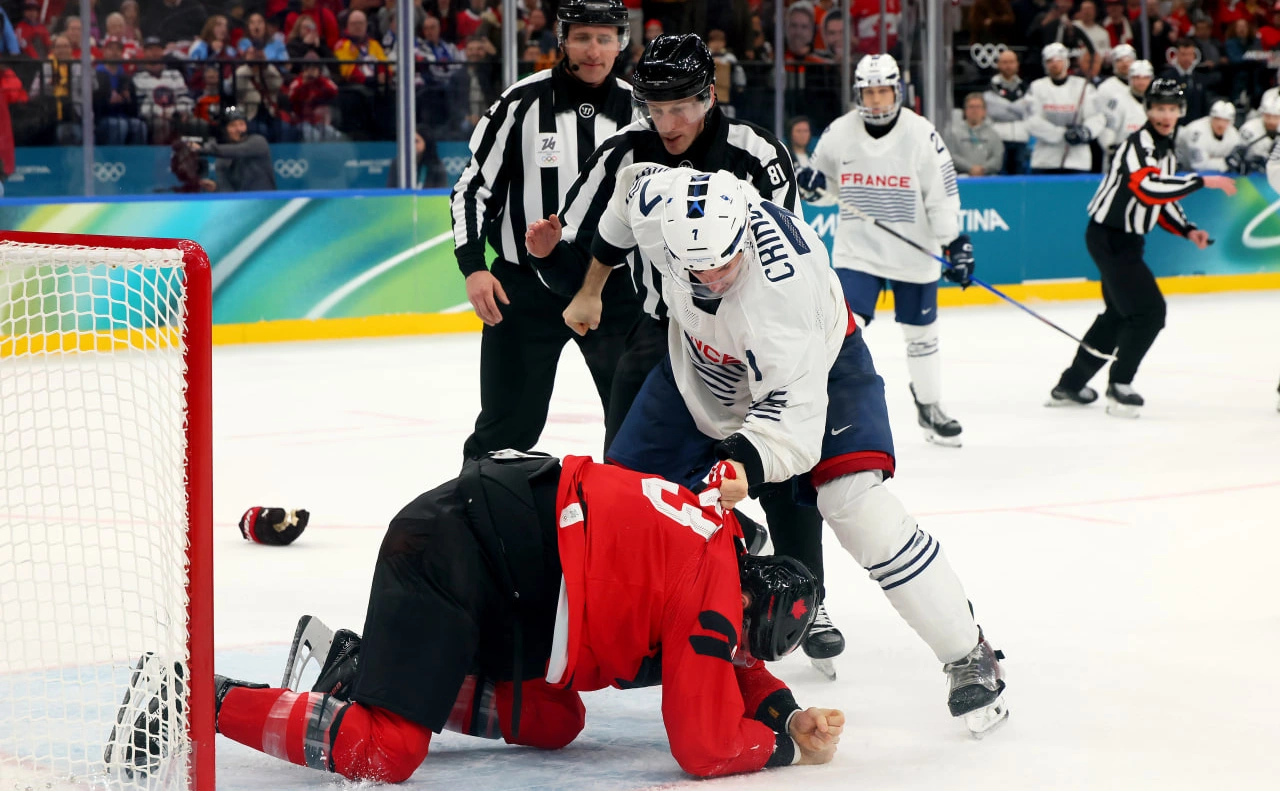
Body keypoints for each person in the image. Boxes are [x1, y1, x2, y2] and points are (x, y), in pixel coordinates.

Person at [579, 164, 1008, 734]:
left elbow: (792, 425)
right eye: (697, 270)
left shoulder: (783, 297)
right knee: (625, 505)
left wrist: (741, 465)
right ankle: (722, 560)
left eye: (726, 264)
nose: (712, 279)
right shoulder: (657, 203)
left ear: (744, 236)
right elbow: (623, 199)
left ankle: (965, 650)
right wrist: (590, 288)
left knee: (855, 507)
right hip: (700, 372)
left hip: (822, 372)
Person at [106, 452, 844, 782]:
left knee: (555, 718)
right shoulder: (713, 600)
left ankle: (363, 666)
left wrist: (786, 709)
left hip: (502, 555)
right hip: (459, 553)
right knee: (386, 751)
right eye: (749, 639)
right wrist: (782, 748)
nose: (739, 651)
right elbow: (703, 745)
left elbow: (731, 656)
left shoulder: (724, 540)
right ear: (746, 603)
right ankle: (192, 697)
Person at [524, 34, 838, 671]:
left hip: (750, 332)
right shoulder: (625, 157)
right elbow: (597, 243)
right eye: (654, 110)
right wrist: (560, 267)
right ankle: (667, 582)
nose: (668, 125)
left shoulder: (758, 154)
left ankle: (806, 589)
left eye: (682, 109)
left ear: (710, 96)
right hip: (665, 331)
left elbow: (781, 271)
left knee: (779, 456)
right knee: (629, 467)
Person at [449, 0, 638, 462]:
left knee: (639, 429)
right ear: (562, 40)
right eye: (582, 37)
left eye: (604, 37)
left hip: (612, 293)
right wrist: (474, 268)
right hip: (524, 293)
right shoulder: (519, 104)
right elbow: (472, 190)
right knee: (504, 431)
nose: (593, 50)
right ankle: (480, 524)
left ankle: (644, 530)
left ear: (620, 43)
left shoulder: (642, 110)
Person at [796, 54, 974, 449]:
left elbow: (942, 196)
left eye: (883, 91)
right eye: (868, 92)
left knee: (921, 336)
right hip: (859, 251)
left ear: (897, 91)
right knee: (843, 329)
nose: (876, 100)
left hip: (915, 253)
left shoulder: (922, 134)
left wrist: (955, 242)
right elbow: (824, 189)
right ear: (858, 93)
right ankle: (828, 409)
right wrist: (812, 185)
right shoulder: (840, 132)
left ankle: (929, 405)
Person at [1048, 80, 1237, 416]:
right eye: (1159, 108)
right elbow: (1148, 188)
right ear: (1148, 110)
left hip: (1127, 241)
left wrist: (1188, 229)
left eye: (1172, 109)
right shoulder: (1137, 145)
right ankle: (1120, 386)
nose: (1166, 115)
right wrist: (1202, 180)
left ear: (1180, 112)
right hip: (1110, 238)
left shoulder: (1165, 148)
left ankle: (1070, 385)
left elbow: (1162, 199)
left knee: (1119, 316)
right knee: (1149, 313)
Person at [1025, 42, 1106, 174]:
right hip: (1045, 160)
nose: (1054, 64)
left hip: (1078, 161)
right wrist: (1062, 134)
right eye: (1049, 61)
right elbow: (1032, 120)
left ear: (1066, 62)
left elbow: (1097, 117)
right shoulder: (1036, 87)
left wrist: (1084, 132)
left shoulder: (1083, 86)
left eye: (1058, 60)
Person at [190, 107, 277, 192]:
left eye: (241, 124)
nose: (238, 129)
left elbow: (240, 150)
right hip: (241, 204)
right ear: (224, 130)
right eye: (233, 125)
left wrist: (203, 149)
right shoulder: (222, 160)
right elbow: (228, 192)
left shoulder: (258, 142)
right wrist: (216, 188)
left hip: (266, 202)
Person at [1098, 59, 1153, 159]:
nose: (1141, 82)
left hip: (1149, 154)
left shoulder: (1157, 102)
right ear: (1130, 79)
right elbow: (1108, 128)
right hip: (1122, 155)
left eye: (1145, 78)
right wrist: (1110, 147)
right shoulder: (1117, 101)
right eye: (1137, 78)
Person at [945, 92, 1005, 176]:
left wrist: (983, 169)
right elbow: (951, 155)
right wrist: (970, 168)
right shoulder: (954, 132)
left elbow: (997, 158)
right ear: (965, 111)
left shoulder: (993, 134)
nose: (974, 110)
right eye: (971, 107)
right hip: (961, 176)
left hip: (987, 176)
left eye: (978, 107)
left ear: (984, 111)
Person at [1176, 99, 1240, 172]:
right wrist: (1225, 163)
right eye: (1217, 119)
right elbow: (1199, 166)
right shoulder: (1196, 132)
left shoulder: (1234, 135)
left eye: (1225, 120)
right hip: (1181, 170)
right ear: (1211, 118)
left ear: (1231, 122)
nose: (1221, 124)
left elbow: (1235, 160)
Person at [1231, 92, 1280, 175]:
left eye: (1275, 117)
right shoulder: (1249, 129)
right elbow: (1235, 156)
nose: (1271, 121)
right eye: (1268, 116)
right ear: (1262, 114)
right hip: (1251, 176)